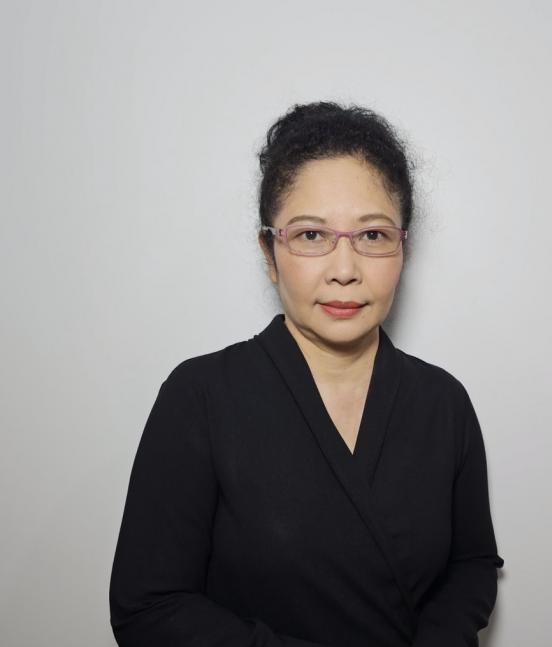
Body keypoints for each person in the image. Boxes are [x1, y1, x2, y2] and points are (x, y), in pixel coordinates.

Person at [109, 101, 504, 647]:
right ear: (269, 254)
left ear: (403, 248)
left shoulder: (443, 402)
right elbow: (148, 608)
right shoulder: (200, 397)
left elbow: (473, 565)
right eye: (311, 236)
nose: (344, 270)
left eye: (373, 236)